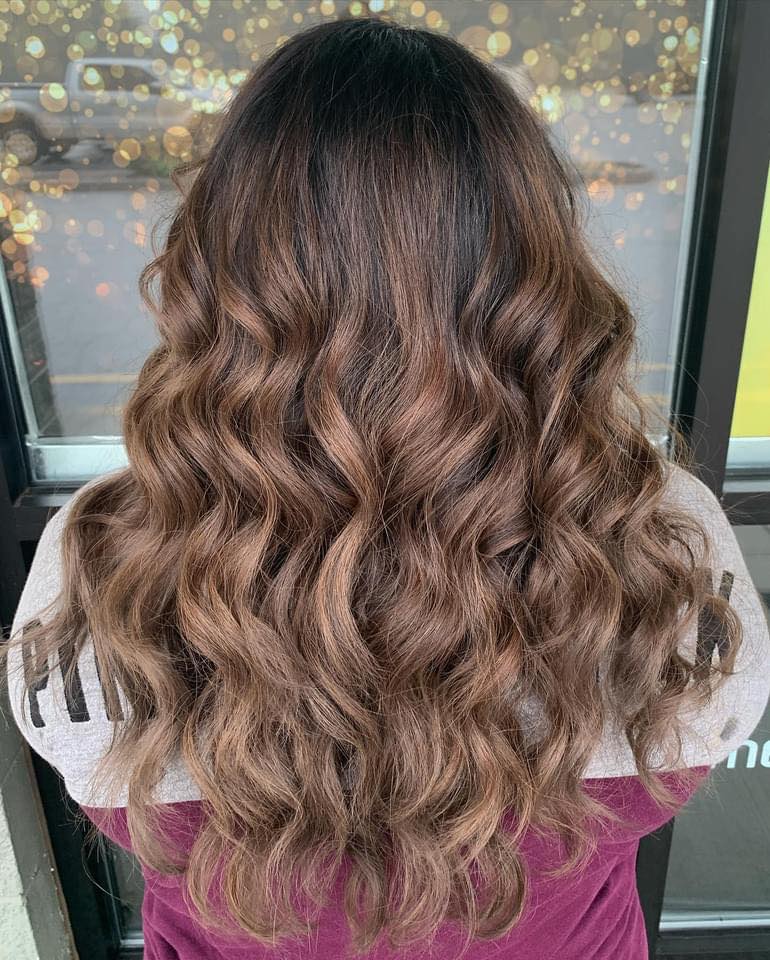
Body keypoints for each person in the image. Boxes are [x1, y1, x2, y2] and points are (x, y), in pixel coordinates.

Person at [4, 15, 770, 960]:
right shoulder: (665, 540)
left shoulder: (98, 558)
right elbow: (679, 755)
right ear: (537, 275)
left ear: (219, 272)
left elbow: (102, 778)